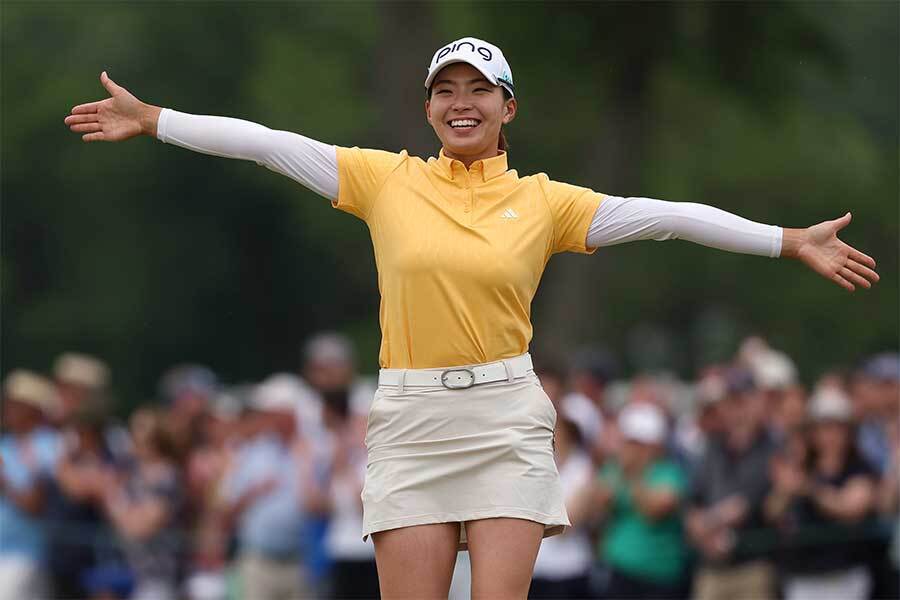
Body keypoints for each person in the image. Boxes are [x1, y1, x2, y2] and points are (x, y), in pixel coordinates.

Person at [64, 35, 879, 598]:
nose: (462, 103)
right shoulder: (386, 180)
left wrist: (786, 240)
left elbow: (666, 214)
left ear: (507, 107)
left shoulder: (547, 202)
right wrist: (156, 120)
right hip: (411, 418)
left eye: (478, 90)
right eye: (445, 90)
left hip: (504, 416)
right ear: (427, 107)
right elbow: (266, 142)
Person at [765, 386, 879, 600]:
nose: (830, 435)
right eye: (823, 427)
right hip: (803, 577)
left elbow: (851, 508)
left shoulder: (860, 467)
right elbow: (772, 512)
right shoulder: (802, 466)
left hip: (846, 577)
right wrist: (785, 489)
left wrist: (809, 488)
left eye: (836, 427)